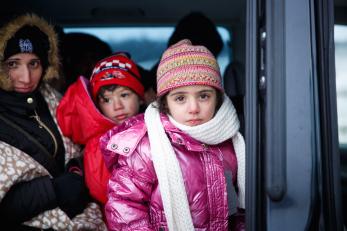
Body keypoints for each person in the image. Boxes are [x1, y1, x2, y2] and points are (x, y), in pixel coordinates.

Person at [100, 39, 245, 230]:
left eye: (203, 96)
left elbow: (238, 212)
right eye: (180, 98)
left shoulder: (230, 144)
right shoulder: (147, 147)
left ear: (217, 98)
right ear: (165, 103)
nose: (193, 108)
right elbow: (125, 208)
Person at [0, 14, 106, 230]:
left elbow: (81, 149)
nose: (26, 77)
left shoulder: (55, 101)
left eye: (34, 64)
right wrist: (54, 190)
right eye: (13, 64)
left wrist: (77, 170)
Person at [56, 52, 145, 206]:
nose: (117, 106)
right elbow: (103, 191)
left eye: (124, 95)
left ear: (140, 96)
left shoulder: (158, 128)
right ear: (97, 105)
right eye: (107, 100)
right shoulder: (99, 144)